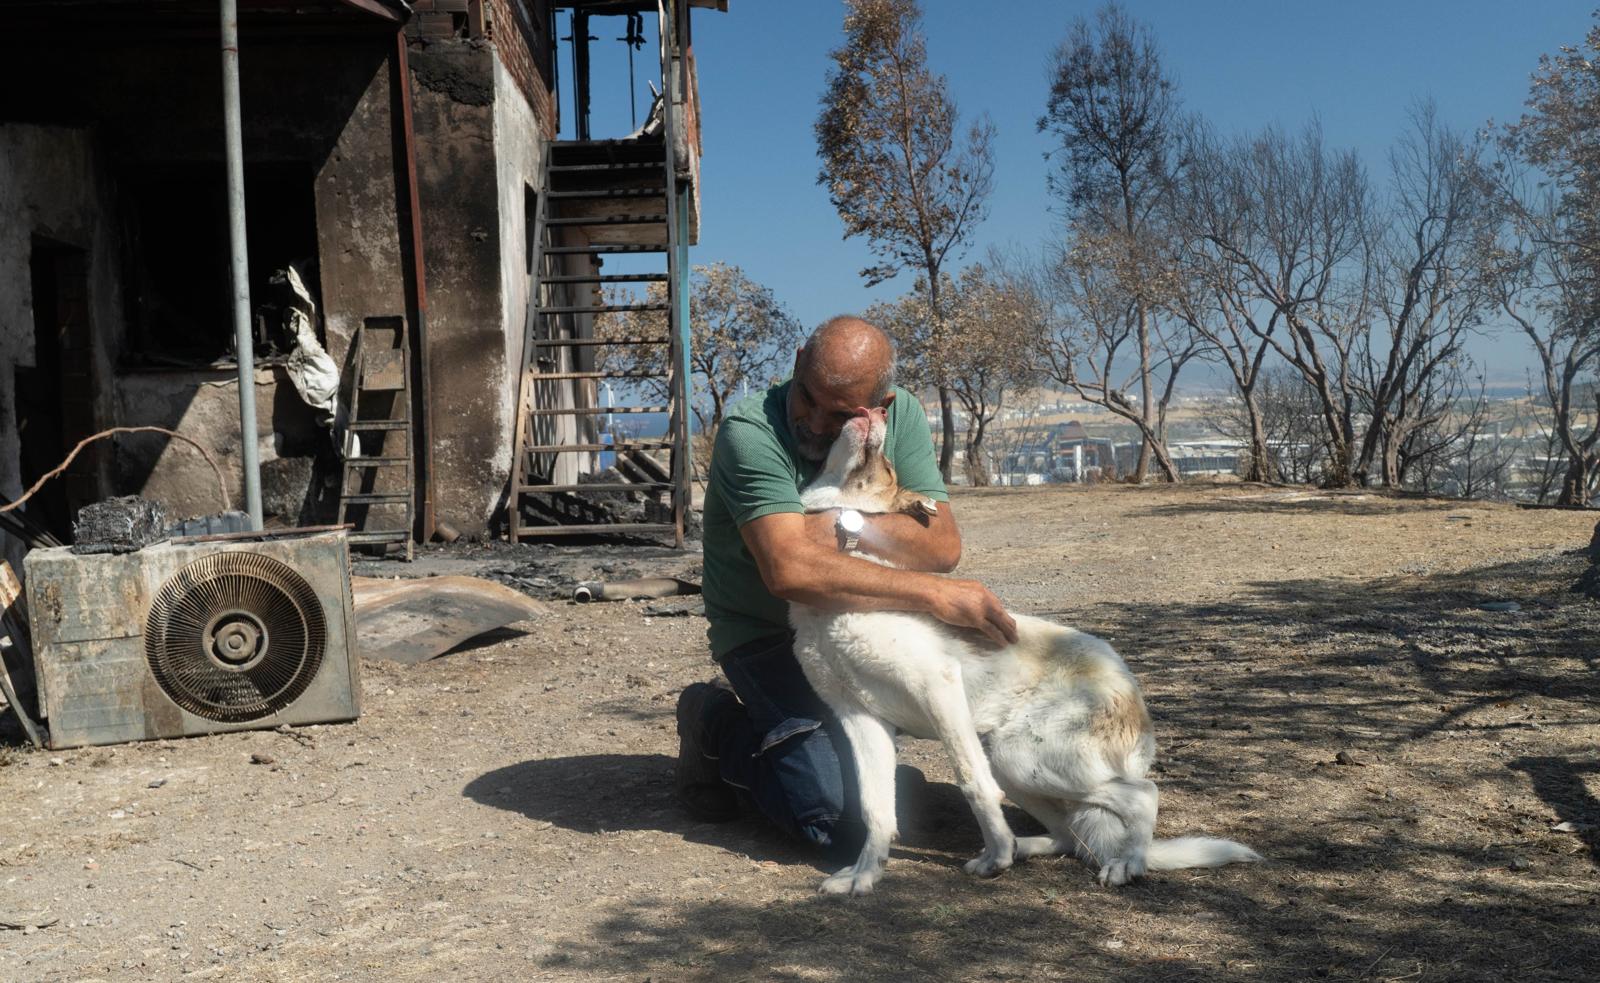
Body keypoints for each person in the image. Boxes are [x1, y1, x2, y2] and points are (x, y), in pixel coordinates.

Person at [676, 314, 1018, 853]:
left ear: (875, 409)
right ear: (796, 364)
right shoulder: (752, 430)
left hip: (859, 621)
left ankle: (824, 751)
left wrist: (843, 527)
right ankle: (714, 724)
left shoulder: (900, 416)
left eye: (838, 414)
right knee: (834, 820)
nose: (811, 421)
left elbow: (942, 545)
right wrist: (932, 592)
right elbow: (790, 571)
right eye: (807, 396)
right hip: (766, 634)